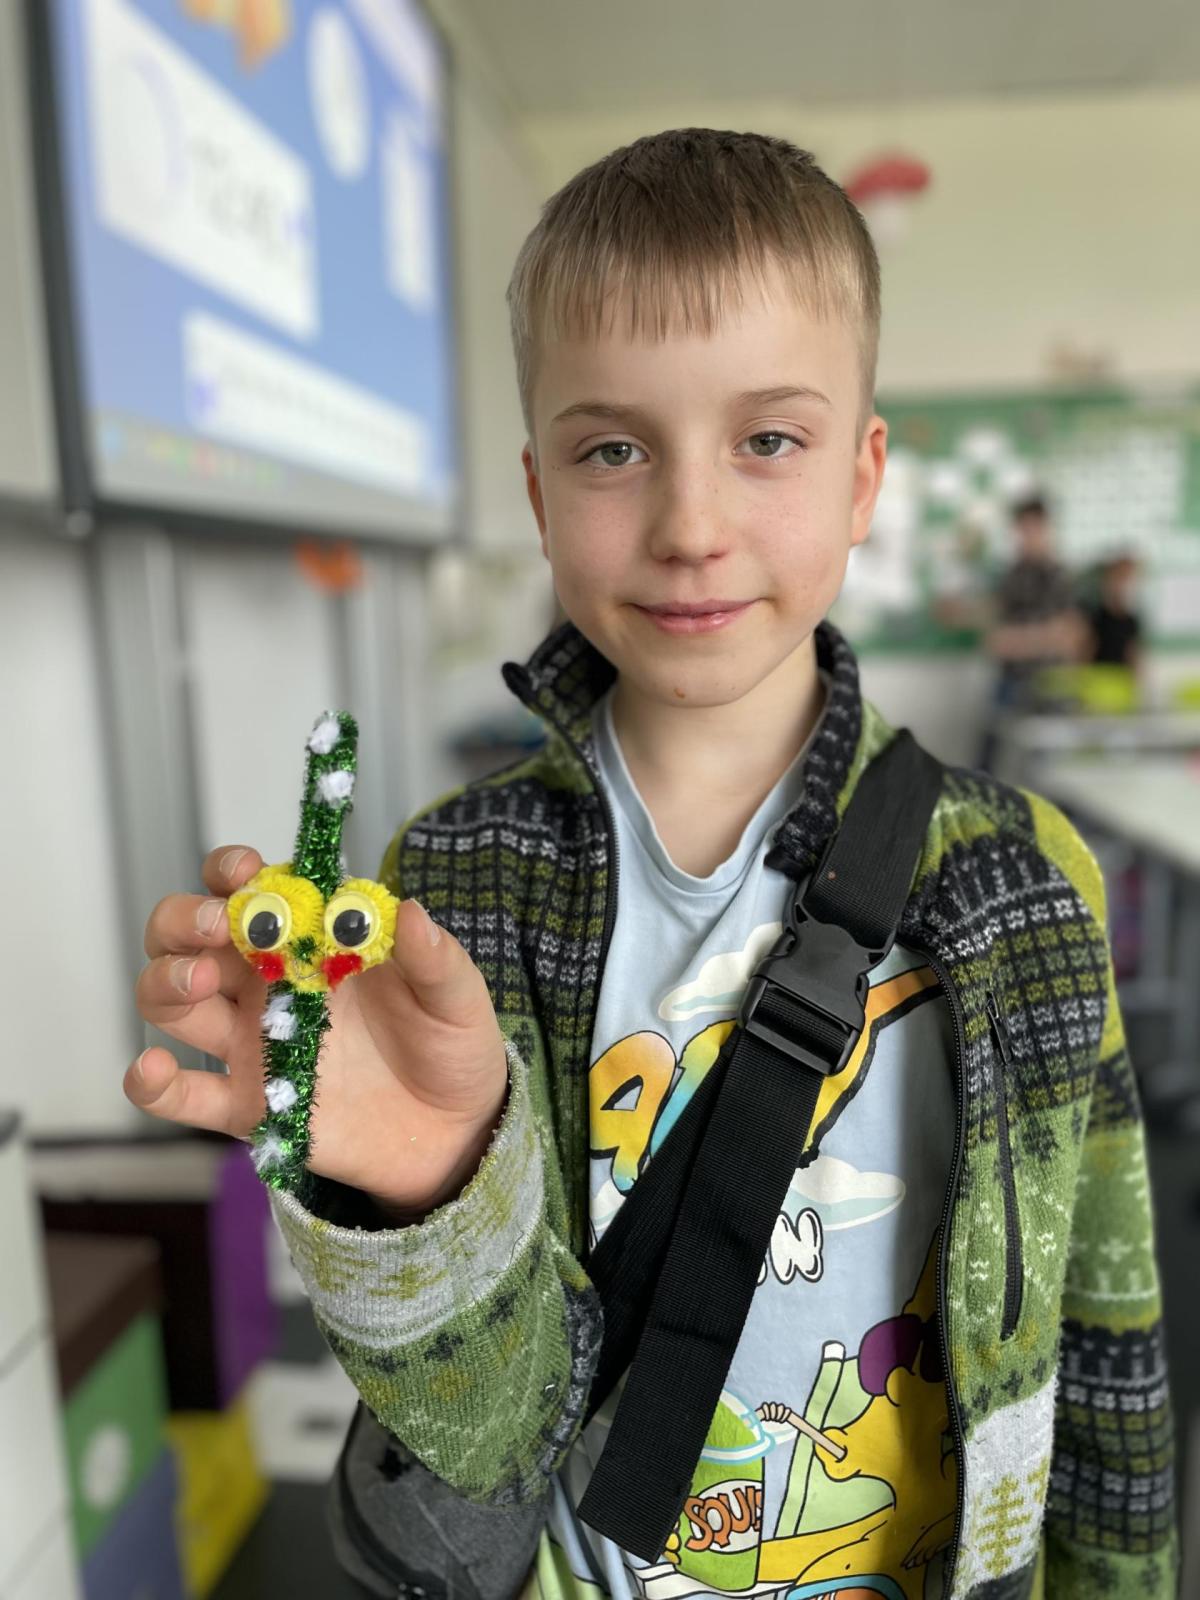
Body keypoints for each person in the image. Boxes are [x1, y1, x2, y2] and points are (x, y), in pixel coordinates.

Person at [124, 131, 1176, 1599]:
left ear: (863, 476)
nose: (690, 528)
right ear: (541, 492)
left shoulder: (1021, 877)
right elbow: (493, 1437)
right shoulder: (455, 889)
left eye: (769, 441)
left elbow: (1107, 1341)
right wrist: (427, 1200)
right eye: (613, 449)